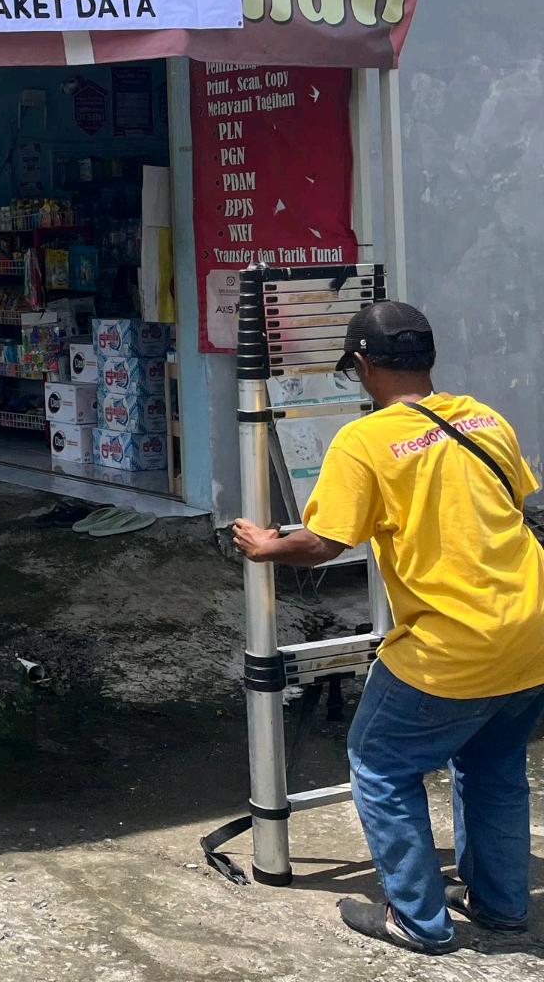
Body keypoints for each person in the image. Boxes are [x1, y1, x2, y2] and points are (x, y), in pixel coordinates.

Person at [232, 300, 544, 954]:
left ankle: (418, 922)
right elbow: (509, 504)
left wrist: (266, 546)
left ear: (363, 364)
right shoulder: (484, 418)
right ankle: (502, 906)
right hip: (531, 630)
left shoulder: (365, 441)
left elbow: (324, 542)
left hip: (453, 646)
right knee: (492, 766)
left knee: (378, 763)